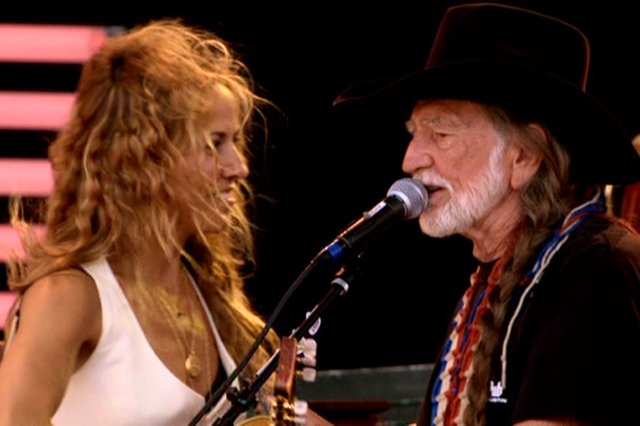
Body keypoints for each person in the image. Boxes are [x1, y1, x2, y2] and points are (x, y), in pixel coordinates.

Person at [336, 3, 640, 425]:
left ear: (524, 157)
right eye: (415, 134)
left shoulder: (597, 268)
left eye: (440, 133)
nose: (410, 160)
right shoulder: (494, 280)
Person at [0, 20, 279, 425]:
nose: (239, 167)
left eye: (234, 141)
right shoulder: (69, 296)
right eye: (214, 143)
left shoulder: (209, 292)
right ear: (146, 159)